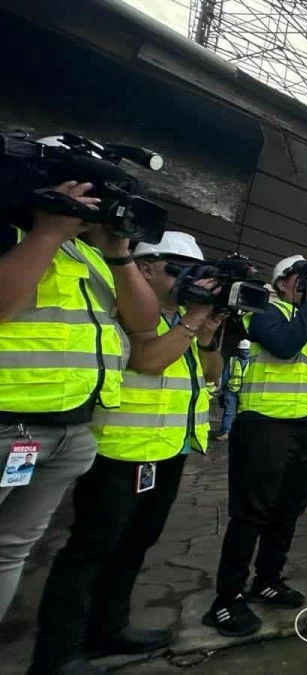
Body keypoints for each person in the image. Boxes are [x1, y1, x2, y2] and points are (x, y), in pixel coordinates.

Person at [28, 231, 226, 674]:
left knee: (136, 545)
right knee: (90, 550)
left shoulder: (184, 319)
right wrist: (193, 322)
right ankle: (57, 656)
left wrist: (208, 335)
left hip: (167, 450)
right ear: (145, 267)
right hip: (117, 453)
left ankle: (108, 629)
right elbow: (149, 360)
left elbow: (213, 374)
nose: (189, 278)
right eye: (178, 268)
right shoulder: (129, 311)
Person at [0, 179, 161, 630]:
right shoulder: (15, 237)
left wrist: (119, 252)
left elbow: (144, 323)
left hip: (69, 429)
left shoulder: (91, 256)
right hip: (9, 422)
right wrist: (47, 233)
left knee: (12, 548)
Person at [205, 254, 307, 637]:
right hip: (265, 425)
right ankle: (226, 599)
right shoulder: (262, 309)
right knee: (251, 513)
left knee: (287, 512)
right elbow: (283, 344)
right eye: (303, 276)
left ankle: (268, 579)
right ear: (281, 282)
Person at [217, 339, 251, 442]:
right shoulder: (233, 360)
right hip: (231, 390)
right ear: (239, 350)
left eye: (246, 350)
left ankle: (241, 433)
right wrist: (221, 389)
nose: (244, 352)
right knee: (229, 412)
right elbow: (226, 375)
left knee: (244, 413)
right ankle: (226, 432)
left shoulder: (253, 361)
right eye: (243, 350)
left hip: (245, 391)